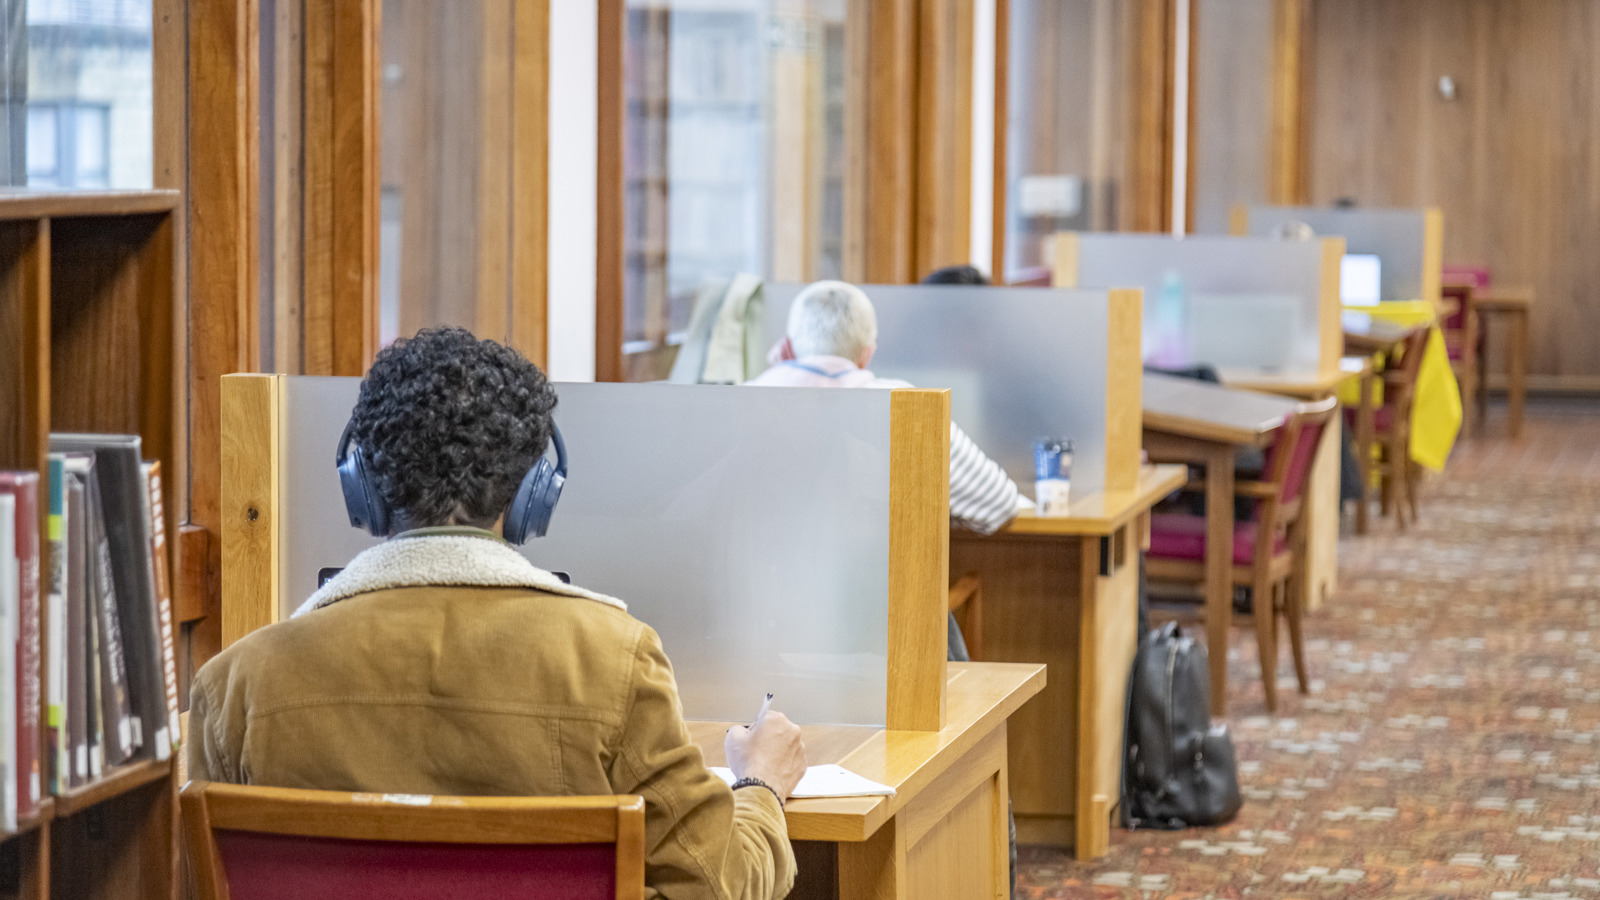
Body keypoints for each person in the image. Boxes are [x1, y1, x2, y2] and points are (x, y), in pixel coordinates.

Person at [189, 328, 805, 900]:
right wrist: (761, 786)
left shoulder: (234, 687)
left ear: (364, 489)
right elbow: (715, 885)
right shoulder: (613, 660)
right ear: (536, 492)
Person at [746, 280, 1022, 643]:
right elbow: (999, 504)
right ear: (867, 355)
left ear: (785, 348)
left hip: (752, 630)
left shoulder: (741, 404)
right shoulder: (902, 406)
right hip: (875, 637)